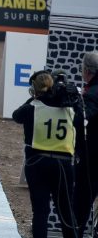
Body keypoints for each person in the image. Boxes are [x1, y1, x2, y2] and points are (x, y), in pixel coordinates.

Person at [12, 70, 84, 238]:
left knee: (40, 213)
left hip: (37, 164)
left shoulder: (33, 107)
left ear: (35, 90)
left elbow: (16, 115)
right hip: (64, 165)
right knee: (66, 214)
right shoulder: (70, 109)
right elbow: (82, 123)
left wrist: (36, 98)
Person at [74, 51, 98, 237]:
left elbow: (83, 120)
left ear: (87, 71)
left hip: (93, 157)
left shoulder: (91, 93)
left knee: (81, 204)